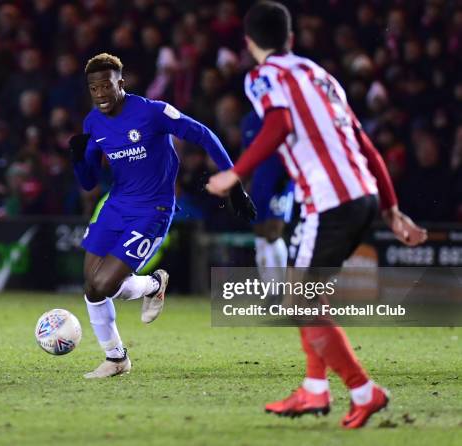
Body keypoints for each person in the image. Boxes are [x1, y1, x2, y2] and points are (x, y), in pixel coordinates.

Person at [206, 2, 427, 429]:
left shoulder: (262, 76)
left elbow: (279, 124)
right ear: (290, 38)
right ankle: (314, 389)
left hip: (329, 201)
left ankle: (364, 391)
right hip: (361, 195)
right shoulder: (321, 75)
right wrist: (391, 208)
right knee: (309, 298)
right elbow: (364, 143)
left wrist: (234, 173)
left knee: (300, 302)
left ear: (250, 42)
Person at [71, 53, 256, 379]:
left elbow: (203, 134)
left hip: (152, 210)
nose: (100, 93)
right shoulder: (93, 123)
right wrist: (79, 159)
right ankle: (116, 359)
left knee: (104, 283)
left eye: (106, 86)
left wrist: (234, 182)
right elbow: (88, 180)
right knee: (92, 287)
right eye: (94, 88)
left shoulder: (152, 112)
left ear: (121, 84)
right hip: (116, 205)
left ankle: (154, 282)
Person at [241, 109, 293, 283]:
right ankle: (271, 290)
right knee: (260, 234)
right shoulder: (249, 120)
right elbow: (247, 153)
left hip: (281, 180)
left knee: (273, 232)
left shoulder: (280, 114)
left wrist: (286, 175)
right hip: (259, 182)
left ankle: (284, 289)